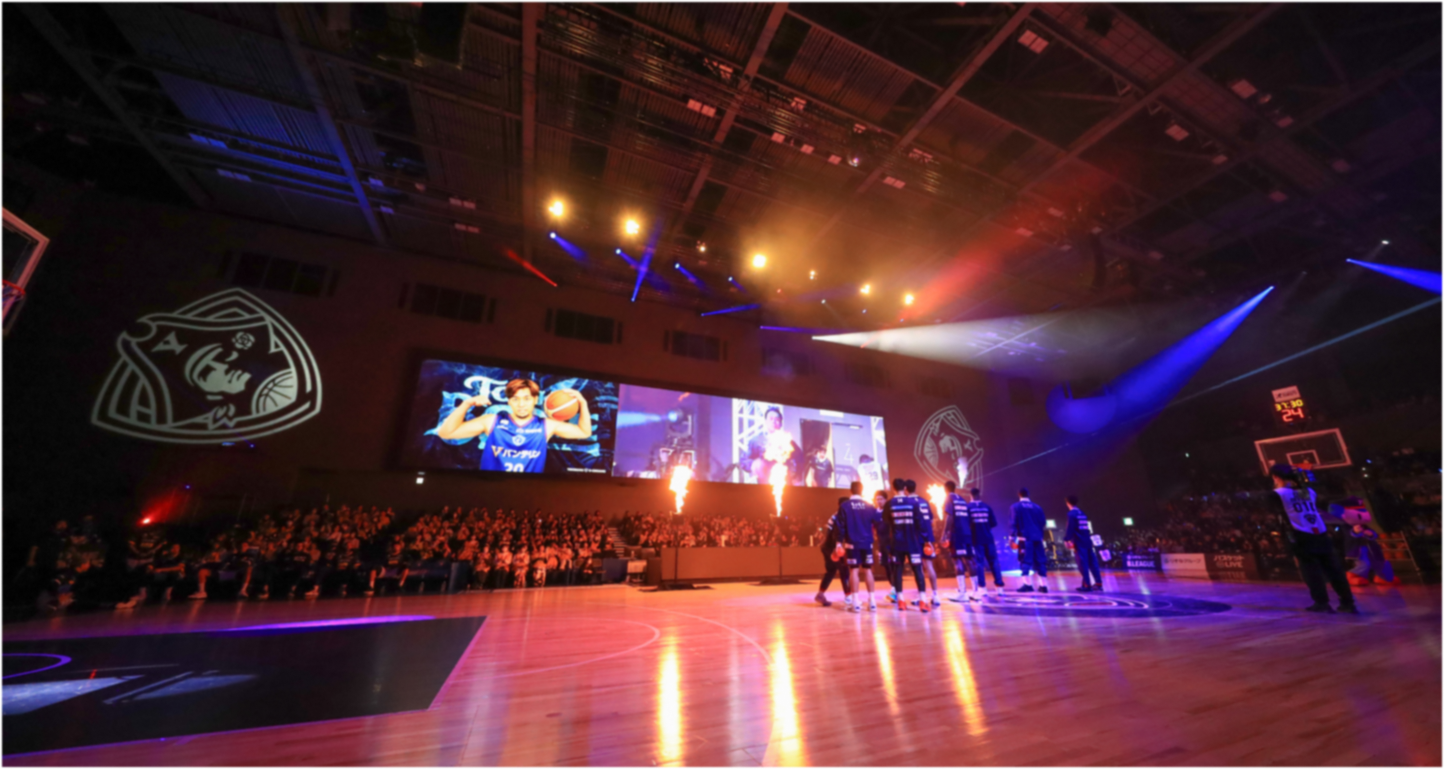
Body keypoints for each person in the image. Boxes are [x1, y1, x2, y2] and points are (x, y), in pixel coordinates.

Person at [436, 379, 592, 473]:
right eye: (515, 399)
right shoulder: (491, 421)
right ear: (509, 401)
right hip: (491, 487)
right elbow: (447, 433)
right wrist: (466, 404)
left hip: (527, 489)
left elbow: (584, 432)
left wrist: (583, 403)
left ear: (535, 400)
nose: (521, 404)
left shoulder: (547, 425)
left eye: (527, 399)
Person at [1267, 464, 1357, 614]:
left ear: (1276, 477)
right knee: (1334, 570)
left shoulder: (1278, 494)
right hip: (1321, 533)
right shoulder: (1309, 491)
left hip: (1301, 535)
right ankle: (1348, 602)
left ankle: (1322, 602)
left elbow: (1276, 508)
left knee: (1311, 571)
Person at [884, 478, 929, 612]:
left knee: (897, 570)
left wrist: (887, 545)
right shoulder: (913, 502)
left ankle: (901, 601)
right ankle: (923, 601)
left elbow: (885, 526)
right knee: (917, 570)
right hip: (912, 543)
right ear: (905, 489)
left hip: (896, 544)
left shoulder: (889, 504)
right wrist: (927, 540)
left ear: (893, 488)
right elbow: (921, 523)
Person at [837, 480, 881, 612]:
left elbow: (840, 526)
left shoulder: (845, 506)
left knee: (854, 571)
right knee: (868, 570)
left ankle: (855, 603)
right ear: (862, 491)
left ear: (850, 491)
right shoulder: (869, 506)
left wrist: (838, 543)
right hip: (867, 543)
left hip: (852, 543)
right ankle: (872, 602)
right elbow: (878, 521)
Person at [941, 481, 981, 601]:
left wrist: (944, 533)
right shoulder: (962, 499)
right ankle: (976, 592)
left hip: (957, 533)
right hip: (967, 533)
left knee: (957, 560)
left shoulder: (949, 498)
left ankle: (962, 593)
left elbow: (949, 516)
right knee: (969, 561)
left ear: (945, 489)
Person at [906, 480, 940, 607]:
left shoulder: (908, 502)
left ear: (905, 489)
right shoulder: (924, 501)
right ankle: (935, 596)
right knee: (929, 566)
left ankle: (922, 596)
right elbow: (930, 520)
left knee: (918, 567)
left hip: (915, 538)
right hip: (928, 537)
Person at [815, 496, 851, 607]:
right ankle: (848, 597)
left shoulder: (834, 515)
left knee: (831, 571)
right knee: (844, 570)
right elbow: (836, 534)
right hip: (832, 547)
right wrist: (837, 547)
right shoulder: (841, 515)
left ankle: (820, 594)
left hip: (826, 546)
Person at [747, 407, 799, 484]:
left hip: (785, 484)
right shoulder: (756, 441)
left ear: (781, 423)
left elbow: (800, 459)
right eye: (771, 419)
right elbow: (745, 459)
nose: (774, 422)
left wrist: (796, 474)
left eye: (777, 419)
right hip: (763, 485)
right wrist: (753, 464)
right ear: (766, 422)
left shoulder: (788, 441)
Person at [967, 488, 1004, 595]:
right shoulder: (987, 507)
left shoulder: (968, 508)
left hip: (977, 539)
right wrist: (985, 527)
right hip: (989, 538)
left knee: (979, 563)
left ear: (970, 495)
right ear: (979, 494)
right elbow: (994, 523)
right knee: (994, 562)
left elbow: (967, 524)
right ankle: (999, 587)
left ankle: (982, 587)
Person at [1011, 488, 1049, 593]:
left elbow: (1013, 522)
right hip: (1038, 538)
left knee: (1025, 561)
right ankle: (1043, 586)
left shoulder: (1016, 507)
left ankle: (1027, 585)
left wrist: (1012, 537)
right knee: (1041, 561)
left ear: (1019, 494)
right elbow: (1043, 522)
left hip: (1025, 538)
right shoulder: (1037, 507)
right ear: (1028, 494)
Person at [1064, 495, 1103, 592]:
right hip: (1087, 541)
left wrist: (1066, 539)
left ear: (1067, 503)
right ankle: (1098, 584)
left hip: (1079, 542)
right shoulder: (1082, 513)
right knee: (1093, 563)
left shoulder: (1071, 514)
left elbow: (1070, 528)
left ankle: (1086, 585)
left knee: (1082, 564)